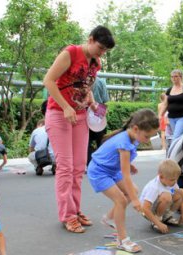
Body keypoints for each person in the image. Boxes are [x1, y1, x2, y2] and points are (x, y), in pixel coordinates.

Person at [43, 25, 115, 232]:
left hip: (81, 115)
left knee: (78, 167)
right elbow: (48, 81)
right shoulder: (70, 53)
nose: (101, 53)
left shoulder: (96, 63)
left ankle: (74, 209)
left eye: (105, 51)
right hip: (59, 114)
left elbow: (86, 87)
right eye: (100, 48)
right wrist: (66, 107)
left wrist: (93, 103)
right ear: (90, 39)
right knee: (65, 167)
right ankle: (67, 215)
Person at [87, 108, 159, 252]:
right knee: (121, 200)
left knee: (134, 191)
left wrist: (129, 164)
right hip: (99, 171)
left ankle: (109, 218)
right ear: (136, 128)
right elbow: (126, 176)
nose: (148, 140)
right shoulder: (124, 142)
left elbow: (116, 157)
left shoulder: (133, 137)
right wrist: (136, 201)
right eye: (147, 136)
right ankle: (122, 240)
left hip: (111, 170)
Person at [139, 159, 183, 233]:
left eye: (176, 179)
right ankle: (157, 219)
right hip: (148, 211)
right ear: (161, 177)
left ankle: (166, 217)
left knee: (181, 192)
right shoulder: (154, 187)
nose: (175, 182)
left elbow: (179, 195)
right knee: (166, 196)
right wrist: (158, 224)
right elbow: (145, 208)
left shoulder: (171, 182)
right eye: (172, 180)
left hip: (160, 202)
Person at [160, 69, 183, 143]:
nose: (174, 78)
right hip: (171, 118)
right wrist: (160, 115)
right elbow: (165, 104)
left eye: (176, 76)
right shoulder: (169, 90)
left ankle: (172, 154)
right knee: (180, 138)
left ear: (181, 77)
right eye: (172, 77)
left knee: (176, 137)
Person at [87, 77, 110, 165]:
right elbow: (105, 102)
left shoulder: (81, 80)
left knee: (86, 142)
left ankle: (88, 163)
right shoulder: (100, 82)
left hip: (85, 112)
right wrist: (100, 115)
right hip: (99, 110)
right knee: (101, 140)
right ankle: (101, 162)